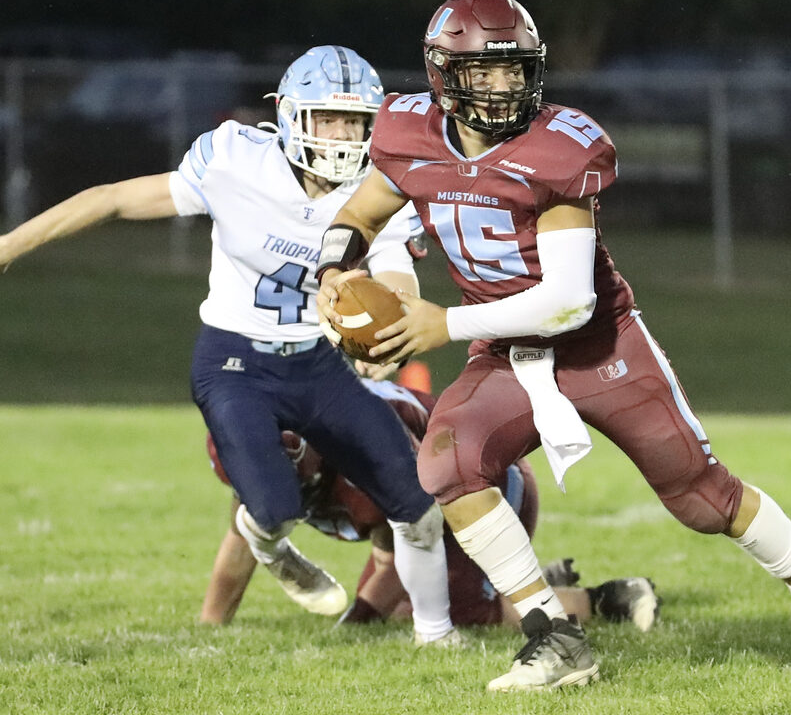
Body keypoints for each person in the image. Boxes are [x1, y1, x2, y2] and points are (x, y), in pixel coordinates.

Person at [314, 0, 791, 691]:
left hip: (597, 346)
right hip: (503, 350)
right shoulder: (408, 134)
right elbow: (364, 210)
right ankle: (554, 637)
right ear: (442, 75)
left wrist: (444, 323)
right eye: (484, 73)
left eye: (515, 70)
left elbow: (565, 301)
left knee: (702, 498)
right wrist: (333, 269)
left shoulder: (556, 147)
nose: (503, 87)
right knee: (447, 465)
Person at [0, 45, 457, 645]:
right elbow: (111, 198)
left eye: (355, 122)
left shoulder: (381, 190)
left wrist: (384, 328)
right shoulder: (236, 162)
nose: (343, 137)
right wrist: (9, 245)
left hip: (319, 365)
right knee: (272, 508)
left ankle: (438, 635)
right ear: (291, 116)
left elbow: (398, 280)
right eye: (328, 118)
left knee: (415, 499)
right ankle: (269, 539)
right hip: (235, 361)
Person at [200, 377, 660, 632]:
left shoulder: (363, 457)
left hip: (485, 489)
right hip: (419, 513)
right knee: (401, 611)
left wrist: (356, 620)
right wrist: (211, 625)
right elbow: (242, 539)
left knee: (461, 614)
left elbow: (401, 548)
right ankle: (511, 578)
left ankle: (609, 598)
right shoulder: (267, 435)